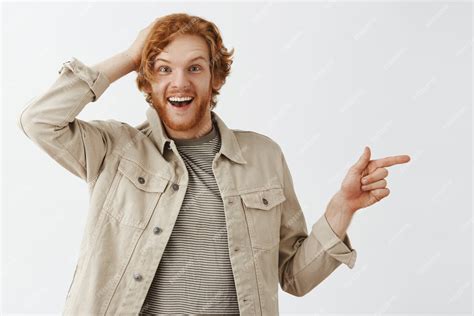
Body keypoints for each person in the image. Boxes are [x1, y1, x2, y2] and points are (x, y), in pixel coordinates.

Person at [17, 13, 411, 315]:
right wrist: (129, 57)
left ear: (215, 77)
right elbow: (40, 121)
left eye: (195, 67)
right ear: (147, 80)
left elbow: (295, 277)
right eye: (163, 68)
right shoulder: (114, 149)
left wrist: (342, 208)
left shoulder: (263, 157)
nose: (180, 82)